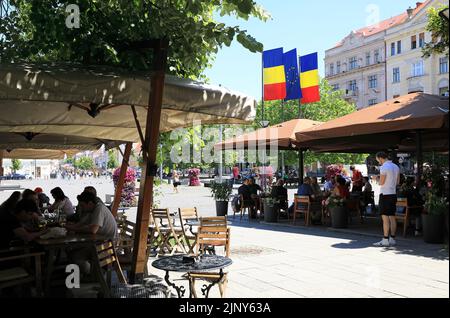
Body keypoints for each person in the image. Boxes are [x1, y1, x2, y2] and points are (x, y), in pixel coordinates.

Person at [65, 191, 118, 275]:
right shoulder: (92, 210)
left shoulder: (99, 209)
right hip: (100, 242)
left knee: (74, 255)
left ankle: (92, 275)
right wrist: (73, 226)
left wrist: (73, 228)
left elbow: (93, 230)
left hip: (107, 247)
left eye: (82, 205)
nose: (81, 208)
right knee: (70, 249)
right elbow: (81, 223)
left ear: (89, 203)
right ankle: (89, 273)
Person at [373, 151, 400, 247]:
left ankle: (385, 239)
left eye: (378, 160)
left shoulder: (384, 167)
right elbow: (397, 182)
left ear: (380, 158)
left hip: (385, 194)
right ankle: (392, 238)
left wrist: (376, 179)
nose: (378, 162)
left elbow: (381, 183)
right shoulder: (396, 166)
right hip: (393, 193)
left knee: (385, 218)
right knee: (392, 216)